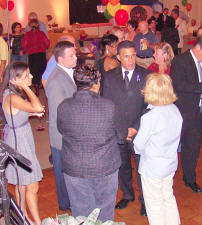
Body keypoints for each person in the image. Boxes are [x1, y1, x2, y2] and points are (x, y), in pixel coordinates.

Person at [57, 65, 121, 221]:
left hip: (74, 169)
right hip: (105, 167)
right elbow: (120, 135)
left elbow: (61, 129)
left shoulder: (64, 106)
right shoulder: (109, 106)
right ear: (97, 83)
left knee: (81, 214)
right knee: (105, 213)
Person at [103, 40, 150, 216]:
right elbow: (107, 105)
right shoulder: (109, 77)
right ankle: (127, 194)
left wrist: (136, 127)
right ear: (118, 57)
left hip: (140, 130)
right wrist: (122, 129)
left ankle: (145, 200)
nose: (131, 60)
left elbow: (150, 106)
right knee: (122, 166)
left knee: (142, 168)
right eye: (126, 56)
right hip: (119, 131)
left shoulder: (146, 76)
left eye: (133, 55)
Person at [133, 73, 182, 225]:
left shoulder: (150, 117)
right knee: (168, 197)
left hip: (153, 168)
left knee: (154, 204)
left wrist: (134, 138)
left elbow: (138, 146)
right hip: (170, 164)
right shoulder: (175, 110)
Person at [170, 35, 202, 193]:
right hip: (182, 113)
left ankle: (190, 179)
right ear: (198, 48)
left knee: (193, 148)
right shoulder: (180, 61)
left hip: (198, 113)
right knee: (172, 148)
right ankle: (167, 179)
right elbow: (179, 85)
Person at [1, 62, 44, 225]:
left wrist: (31, 113)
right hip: (19, 142)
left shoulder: (12, 94)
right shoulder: (12, 96)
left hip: (22, 136)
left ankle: (29, 220)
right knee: (26, 186)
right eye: (27, 75)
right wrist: (26, 88)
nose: (31, 77)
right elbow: (38, 106)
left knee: (27, 186)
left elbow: (29, 111)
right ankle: (26, 220)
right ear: (14, 80)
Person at [45, 41, 77, 211]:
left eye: (75, 53)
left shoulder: (68, 72)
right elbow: (60, 113)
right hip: (62, 136)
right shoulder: (56, 80)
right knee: (62, 172)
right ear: (60, 59)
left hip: (69, 134)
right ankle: (66, 204)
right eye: (71, 55)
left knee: (68, 171)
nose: (76, 57)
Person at [22, 19, 49, 96]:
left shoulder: (27, 34)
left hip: (32, 56)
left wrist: (25, 50)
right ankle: (45, 89)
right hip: (41, 55)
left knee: (34, 73)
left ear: (30, 25)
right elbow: (47, 44)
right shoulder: (42, 33)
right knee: (43, 72)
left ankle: (37, 92)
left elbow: (24, 46)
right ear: (38, 25)